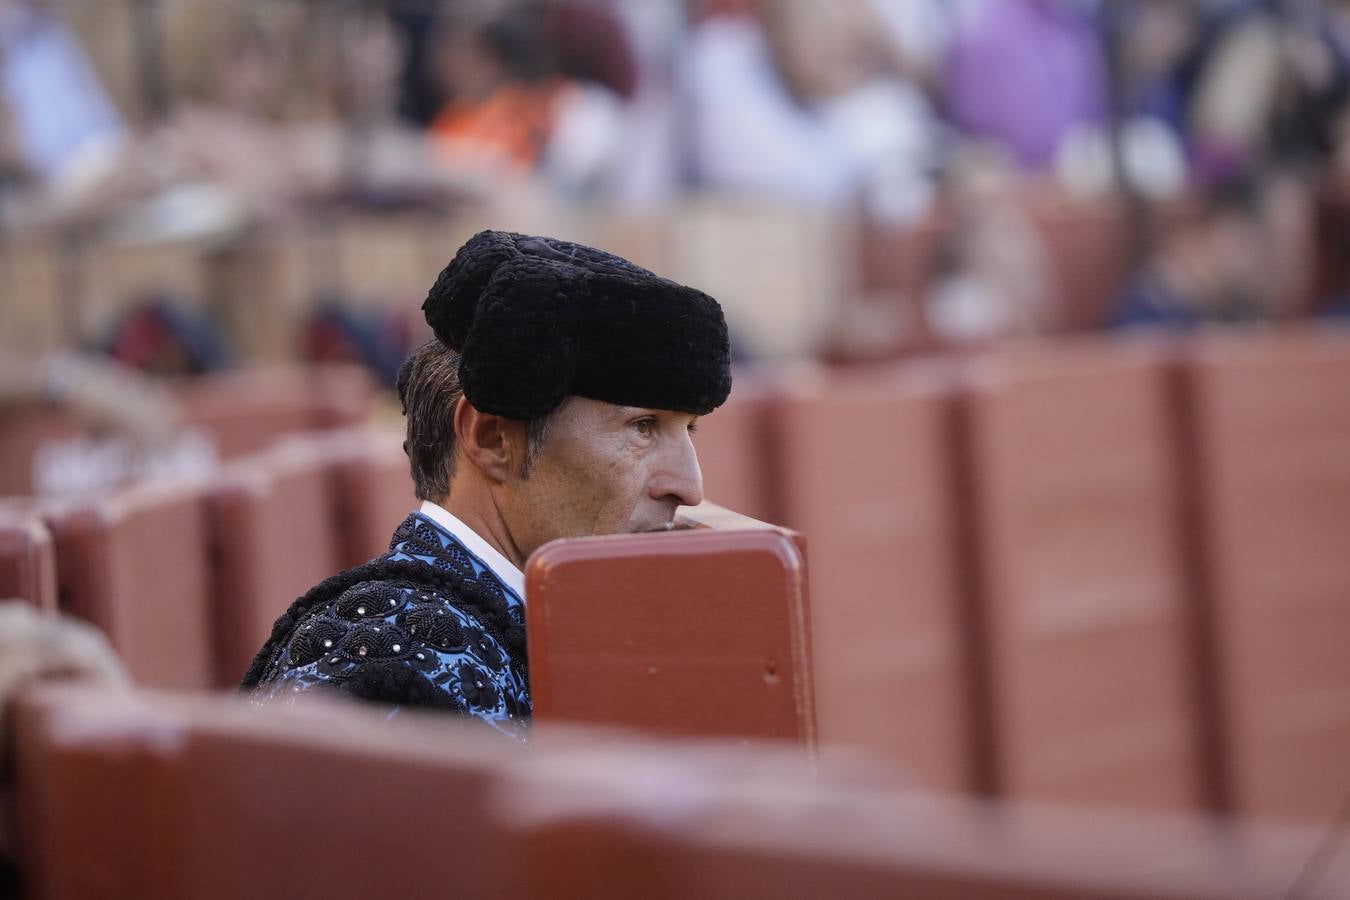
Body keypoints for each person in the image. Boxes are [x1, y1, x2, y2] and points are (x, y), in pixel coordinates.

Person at [241, 230, 732, 740]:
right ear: (494, 438)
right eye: (643, 427)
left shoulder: (498, 628)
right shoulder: (390, 680)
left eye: (689, 429)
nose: (690, 486)